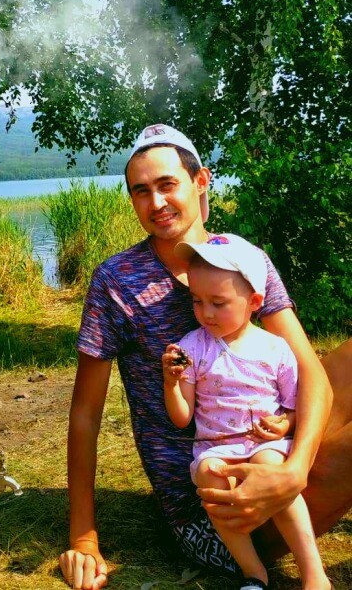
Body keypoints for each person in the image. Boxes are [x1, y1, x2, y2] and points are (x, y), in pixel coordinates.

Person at [58, 123, 351, 590]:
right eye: (140, 191)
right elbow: (86, 414)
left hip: (273, 457)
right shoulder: (117, 281)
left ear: (200, 181)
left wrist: (294, 471)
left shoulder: (244, 260)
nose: (156, 203)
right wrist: (84, 538)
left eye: (167, 185)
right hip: (212, 502)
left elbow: (310, 373)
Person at [162, 234, 330, 590]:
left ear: (254, 301)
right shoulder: (192, 347)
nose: (206, 313)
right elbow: (182, 417)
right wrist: (171, 383)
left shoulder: (276, 349)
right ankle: (253, 573)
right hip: (216, 446)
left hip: (264, 444)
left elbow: (293, 405)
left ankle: (314, 574)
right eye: (197, 301)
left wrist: (285, 422)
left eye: (218, 303)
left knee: (271, 470)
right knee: (209, 475)